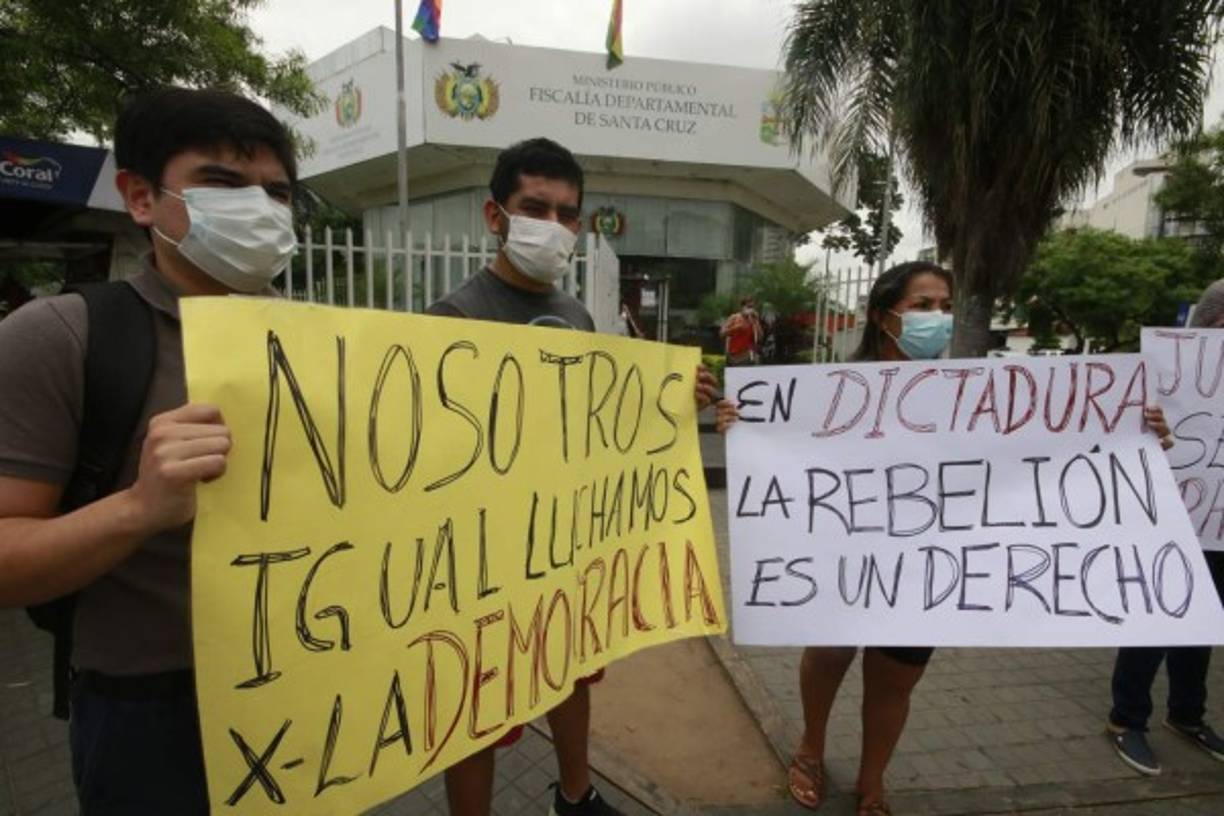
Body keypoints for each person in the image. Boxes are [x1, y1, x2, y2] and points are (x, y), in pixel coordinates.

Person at [716, 261, 1177, 815]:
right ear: (883, 315)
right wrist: (741, 427)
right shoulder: (828, 388)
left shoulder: (975, 393)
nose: (938, 317)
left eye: (944, 306)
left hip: (927, 570)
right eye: (922, 306)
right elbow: (784, 451)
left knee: (895, 682)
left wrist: (1135, 436)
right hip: (841, 560)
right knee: (829, 656)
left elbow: (1053, 449)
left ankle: (872, 783)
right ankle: (811, 748)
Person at [0, 87, 297, 813]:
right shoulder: (62, 337)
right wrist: (137, 507)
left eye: (278, 193)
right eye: (223, 183)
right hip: (149, 708)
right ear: (140, 197)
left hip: (305, 679)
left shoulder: (318, 343)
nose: (259, 209)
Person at [427, 137, 718, 816]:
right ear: (494, 215)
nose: (552, 226)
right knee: (475, 706)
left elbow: (593, 425)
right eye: (535, 207)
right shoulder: (453, 317)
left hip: (561, 549)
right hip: (484, 556)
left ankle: (576, 795)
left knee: (567, 671)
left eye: (566, 213)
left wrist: (671, 403)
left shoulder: (576, 315)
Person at [1105, 279, 1224, 775]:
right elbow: (1132, 444)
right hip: (1174, 519)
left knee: (1203, 624)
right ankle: (1125, 718)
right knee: (1156, 619)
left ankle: (1186, 714)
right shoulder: (1168, 383)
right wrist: (1156, 429)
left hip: (1218, 525)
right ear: (1210, 326)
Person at [720, 296, 763, 365]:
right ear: (742, 307)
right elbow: (722, 333)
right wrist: (736, 328)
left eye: (752, 307)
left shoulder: (753, 320)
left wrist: (756, 321)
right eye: (748, 307)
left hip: (747, 355)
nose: (750, 309)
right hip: (734, 355)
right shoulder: (734, 317)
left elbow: (760, 337)